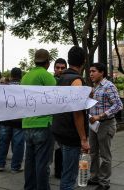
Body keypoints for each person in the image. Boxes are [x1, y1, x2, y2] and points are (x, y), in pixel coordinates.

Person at [52, 46, 90, 190]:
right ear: (83, 62)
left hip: (60, 130)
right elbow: (77, 112)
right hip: (71, 135)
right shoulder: (76, 81)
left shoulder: (61, 78)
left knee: (66, 171)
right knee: (69, 176)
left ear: (68, 60)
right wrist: (83, 139)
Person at [21, 49, 56, 190]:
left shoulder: (26, 77)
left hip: (27, 124)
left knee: (29, 163)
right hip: (43, 124)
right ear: (48, 62)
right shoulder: (46, 76)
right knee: (42, 164)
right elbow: (56, 99)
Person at [88, 63, 123, 190]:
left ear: (102, 72)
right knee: (93, 153)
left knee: (105, 156)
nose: (91, 73)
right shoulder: (95, 86)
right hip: (93, 125)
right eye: (90, 71)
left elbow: (118, 105)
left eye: (94, 71)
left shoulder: (109, 86)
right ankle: (95, 177)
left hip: (106, 124)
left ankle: (104, 183)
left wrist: (101, 116)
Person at [0, 67, 25, 173]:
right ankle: (15, 166)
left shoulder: (4, 88)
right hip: (19, 121)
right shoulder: (24, 88)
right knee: (18, 144)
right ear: (21, 77)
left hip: (5, 119)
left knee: (3, 143)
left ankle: (0, 164)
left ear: (11, 76)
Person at [52, 58, 67, 178]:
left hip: (63, 120)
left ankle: (59, 171)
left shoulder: (68, 81)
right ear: (54, 68)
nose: (60, 70)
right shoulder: (50, 81)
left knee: (60, 148)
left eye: (62, 68)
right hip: (50, 120)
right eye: (57, 68)